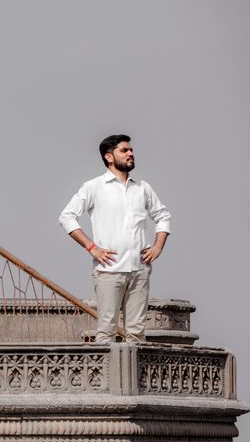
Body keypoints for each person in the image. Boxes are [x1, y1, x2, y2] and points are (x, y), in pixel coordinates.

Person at [59, 134, 171, 344]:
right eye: (124, 150)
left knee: (137, 333)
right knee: (106, 330)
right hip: (109, 271)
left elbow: (163, 215)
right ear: (109, 157)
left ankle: (134, 377)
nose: (131, 154)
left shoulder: (142, 188)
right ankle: (107, 377)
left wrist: (157, 247)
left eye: (131, 150)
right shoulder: (93, 187)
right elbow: (66, 217)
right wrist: (91, 247)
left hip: (139, 269)